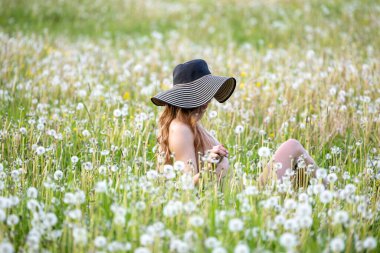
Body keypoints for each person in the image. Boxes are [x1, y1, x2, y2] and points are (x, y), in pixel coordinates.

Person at [151, 59, 319, 187]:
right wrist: (209, 166)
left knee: (298, 163)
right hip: (244, 201)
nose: (207, 102)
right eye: (201, 95)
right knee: (292, 146)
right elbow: (185, 187)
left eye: (207, 94)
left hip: (239, 194)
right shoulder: (180, 129)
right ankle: (334, 198)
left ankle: (320, 201)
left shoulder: (190, 124)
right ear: (185, 97)